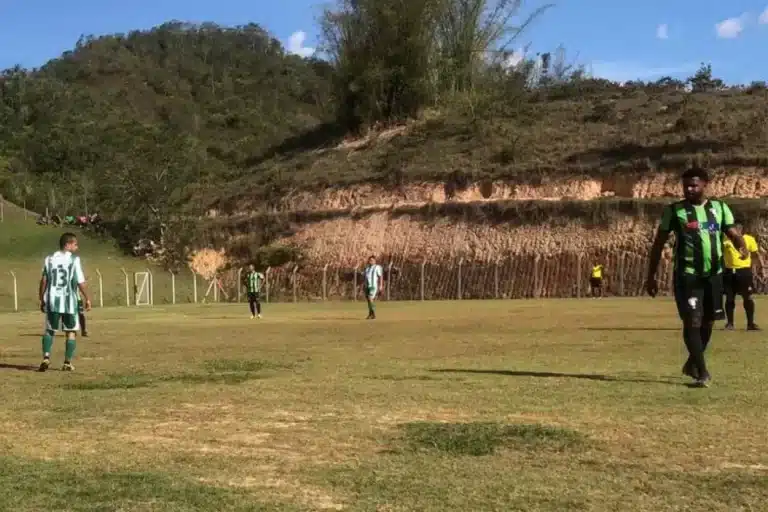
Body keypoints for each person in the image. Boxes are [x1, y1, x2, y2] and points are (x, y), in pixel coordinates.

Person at [645, 167, 746, 387]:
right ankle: (703, 372)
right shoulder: (674, 211)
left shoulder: (720, 208)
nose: (689, 189)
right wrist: (651, 276)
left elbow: (732, 233)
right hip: (687, 276)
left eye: (694, 185)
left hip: (714, 275)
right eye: (686, 186)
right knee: (692, 321)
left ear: (705, 185)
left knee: (708, 321)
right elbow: (658, 243)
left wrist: (742, 247)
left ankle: (692, 362)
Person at [38, 232, 92, 372]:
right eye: (75, 244)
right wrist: (87, 298)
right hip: (69, 301)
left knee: (49, 330)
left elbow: (44, 280)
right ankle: (67, 362)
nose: (77, 247)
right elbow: (80, 282)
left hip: (52, 300)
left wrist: (41, 298)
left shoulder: (49, 259)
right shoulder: (74, 260)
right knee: (71, 332)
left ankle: (46, 358)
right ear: (68, 245)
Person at [723, 220, 763, 331]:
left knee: (748, 297)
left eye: (738, 229)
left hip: (744, 272)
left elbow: (755, 254)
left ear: (741, 229)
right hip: (729, 272)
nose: (735, 231)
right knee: (729, 298)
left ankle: (750, 323)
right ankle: (730, 323)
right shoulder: (725, 240)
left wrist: (760, 267)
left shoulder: (749, 239)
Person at [363, 255, 384, 319]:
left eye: (372, 260)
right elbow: (365, 278)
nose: (370, 261)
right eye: (370, 260)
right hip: (367, 286)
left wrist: (380, 285)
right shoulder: (367, 269)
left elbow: (380, 276)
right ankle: (371, 314)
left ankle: (373, 313)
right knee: (369, 300)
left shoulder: (377, 267)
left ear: (375, 261)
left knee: (370, 298)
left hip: (373, 286)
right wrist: (364, 285)